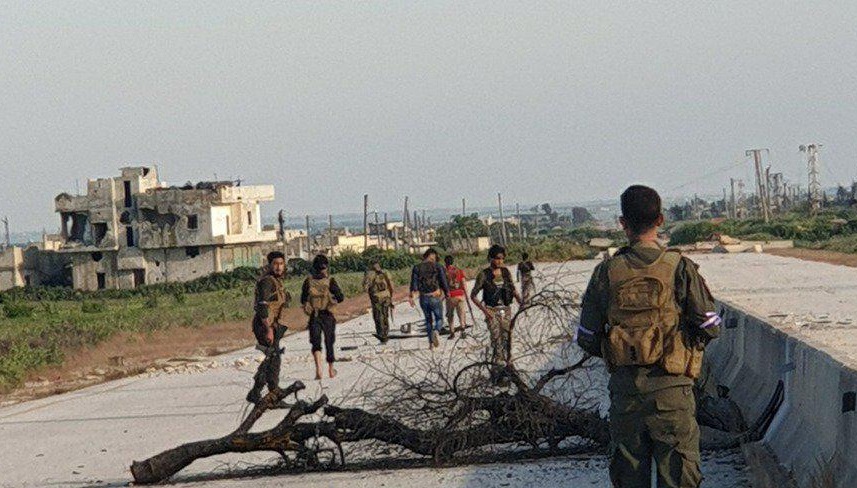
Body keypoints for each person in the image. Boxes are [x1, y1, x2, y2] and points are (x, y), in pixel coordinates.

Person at [577, 185, 721, 488]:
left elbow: (587, 336)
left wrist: (622, 352)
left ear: (623, 223)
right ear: (661, 219)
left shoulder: (606, 272)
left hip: (626, 396)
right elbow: (711, 324)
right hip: (673, 393)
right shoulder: (680, 268)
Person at [247, 251, 290, 404]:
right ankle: (263, 392)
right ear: (270, 265)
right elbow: (262, 308)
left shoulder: (277, 281)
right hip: (264, 325)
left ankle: (265, 392)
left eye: (281, 263)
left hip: (273, 325)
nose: (279, 267)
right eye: (275, 264)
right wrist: (268, 329)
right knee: (272, 359)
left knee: (273, 359)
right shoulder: (267, 282)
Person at [470, 244, 522, 369]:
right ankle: (497, 367)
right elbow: (473, 295)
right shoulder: (484, 274)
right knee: (496, 340)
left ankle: (508, 364)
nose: (500, 261)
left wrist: (521, 302)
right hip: (492, 311)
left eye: (502, 258)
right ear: (490, 258)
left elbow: (512, 289)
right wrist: (485, 311)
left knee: (507, 338)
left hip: (506, 310)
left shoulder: (505, 272)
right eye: (497, 258)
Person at [301, 254, 345, 380]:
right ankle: (331, 369)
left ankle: (319, 369)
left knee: (315, 342)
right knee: (329, 342)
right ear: (326, 267)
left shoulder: (308, 281)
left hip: (314, 315)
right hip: (328, 315)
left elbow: (303, 299)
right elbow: (340, 297)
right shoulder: (330, 281)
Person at [408, 248, 450, 349]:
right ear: (433, 256)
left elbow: (414, 285)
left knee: (428, 320)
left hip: (423, 297)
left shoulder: (417, 267)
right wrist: (447, 292)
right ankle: (436, 332)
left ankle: (431, 344)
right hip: (435, 296)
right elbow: (444, 281)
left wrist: (411, 297)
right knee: (439, 319)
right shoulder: (438, 266)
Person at [363, 260, 395, 343]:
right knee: (385, 315)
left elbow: (365, 288)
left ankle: (381, 335)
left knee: (378, 316)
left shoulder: (370, 274)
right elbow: (391, 285)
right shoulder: (385, 272)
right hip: (386, 297)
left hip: (377, 298)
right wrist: (390, 296)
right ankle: (386, 332)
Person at [444, 255, 469, 339]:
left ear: (445, 263)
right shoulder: (459, 270)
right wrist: (466, 294)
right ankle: (463, 331)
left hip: (450, 296)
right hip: (460, 295)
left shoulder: (444, 272)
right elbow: (463, 282)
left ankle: (452, 333)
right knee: (461, 314)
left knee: (450, 315)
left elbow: (442, 285)